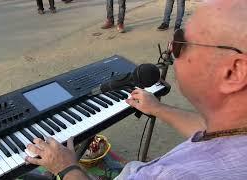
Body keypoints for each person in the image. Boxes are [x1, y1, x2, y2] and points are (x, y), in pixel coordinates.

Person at [25, 0, 247, 179]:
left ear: (234, 71)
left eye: (181, 41)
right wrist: (158, 109)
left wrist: (66, 168)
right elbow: (211, 134)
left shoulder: (172, 175)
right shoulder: (234, 132)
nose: (170, 47)